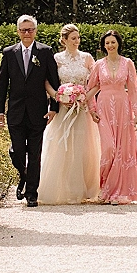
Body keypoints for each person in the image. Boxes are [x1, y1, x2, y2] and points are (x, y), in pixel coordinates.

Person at [0, 15, 60, 207]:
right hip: (15, 112)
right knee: (16, 151)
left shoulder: (45, 52)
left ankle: (32, 194)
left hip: (37, 112)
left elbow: (53, 81)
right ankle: (23, 176)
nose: (27, 33)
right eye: (23, 30)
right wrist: (0, 111)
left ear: (35, 31)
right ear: (18, 31)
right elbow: (2, 84)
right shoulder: (9, 53)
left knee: (34, 154)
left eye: (30, 29)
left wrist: (54, 108)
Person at [39, 24, 101, 205]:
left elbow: (97, 82)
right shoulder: (56, 59)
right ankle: (62, 188)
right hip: (63, 109)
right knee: (61, 146)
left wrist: (84, 97)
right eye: (73, 38)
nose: (77, 41)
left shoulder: (87, 58)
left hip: (81, 109)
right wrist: (58, 96)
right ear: (64, 40)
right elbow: (46, 82)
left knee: (82, 147)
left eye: (78, 38)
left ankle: (83, 189)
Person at [87, 29, 137, 205]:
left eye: (113, 42)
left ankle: (116, 193)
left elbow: (133, 88)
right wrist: (92, 109)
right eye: (107, 43)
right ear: (103, 46)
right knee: (108, 148)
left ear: (118, 43)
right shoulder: (98, 64)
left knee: (122, 150)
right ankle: (105, 186)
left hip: (123, 109)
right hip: (104, 108)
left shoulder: (128, 63)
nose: (110, 45)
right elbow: (90, 87)